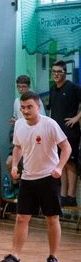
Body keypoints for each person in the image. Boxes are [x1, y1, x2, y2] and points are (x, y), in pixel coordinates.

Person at [0, 91, 70, 262]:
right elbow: (18, 147)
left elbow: (66, 147)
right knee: (21, 218)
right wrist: (14, 166)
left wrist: (59, 167)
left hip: (48, 178)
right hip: (28, 178)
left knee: (51, 218)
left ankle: (53, 258)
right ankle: (15, 257)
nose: (26, 111)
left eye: (29, 107)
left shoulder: (50, 125)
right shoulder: (19, 125)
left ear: (38, 106)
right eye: (23, 108)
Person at [5, 75, 46, 198]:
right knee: (10, 162)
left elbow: (42, 119)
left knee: (28, 166)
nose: (21, 89)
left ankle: (31, 195)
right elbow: (17, 117)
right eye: (19, 87)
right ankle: (15, 185)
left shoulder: (37, 102)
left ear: (29, 87)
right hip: (19, 136)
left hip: (33, 137)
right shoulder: (16, 101)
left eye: (23, 87)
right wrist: (15, 121)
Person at [47, 60, 81, 206]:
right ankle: (63, 195)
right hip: (56, 133)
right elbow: (51, 110)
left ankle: (72, 196)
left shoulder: (73, 88)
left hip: (70, 132)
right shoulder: (52, 89)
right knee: (61, 163)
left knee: (71, 163)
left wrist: (76, 118)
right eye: (53, 71)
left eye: (59, 71)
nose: (56, 74)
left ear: (65, 73)